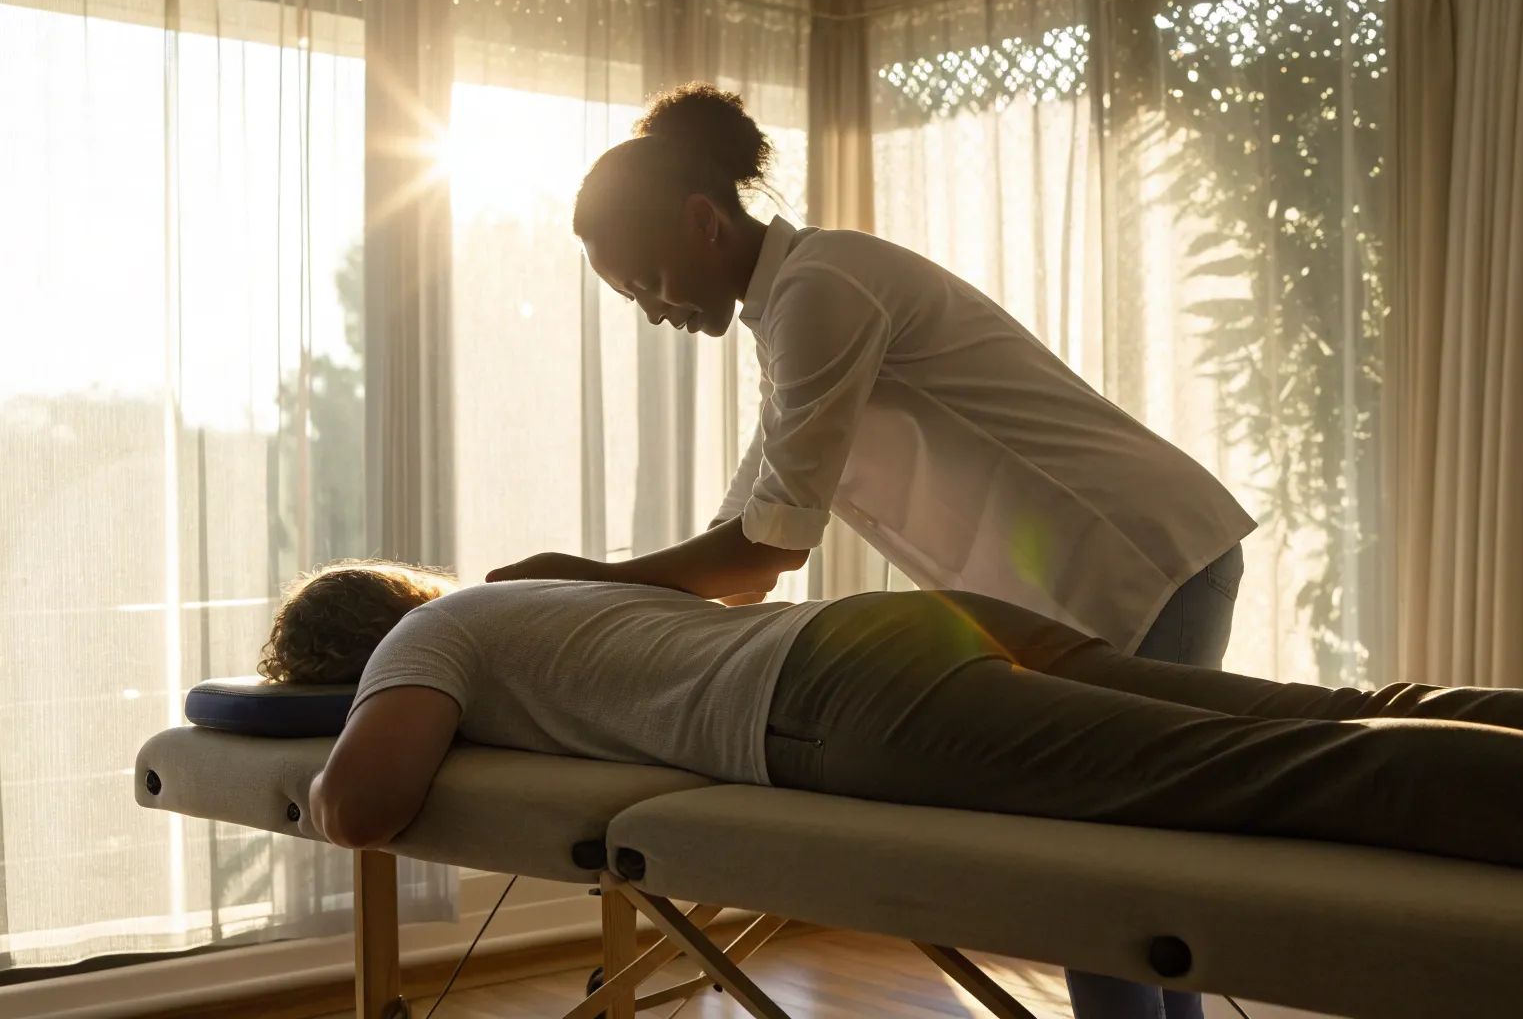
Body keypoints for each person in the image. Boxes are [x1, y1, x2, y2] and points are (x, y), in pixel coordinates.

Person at [487, 80, 1259, 1019]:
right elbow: (751, 523)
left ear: (702, 221)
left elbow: (764, 548)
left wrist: (590, 579)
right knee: (1123, 873)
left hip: (1137, 557)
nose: (653, 311)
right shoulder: (792, 313)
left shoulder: (823, 289)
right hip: (1118, 568)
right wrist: (605, 604)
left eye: (646, 280)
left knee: (1100, 872)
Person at [273, 562, 1523, 911]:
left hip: (843, 704)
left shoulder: (428, 642)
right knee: (1343, 714)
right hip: (900, 623)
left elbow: (366, 803)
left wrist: (321, 732)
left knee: (1294, 773)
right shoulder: (513, 596)